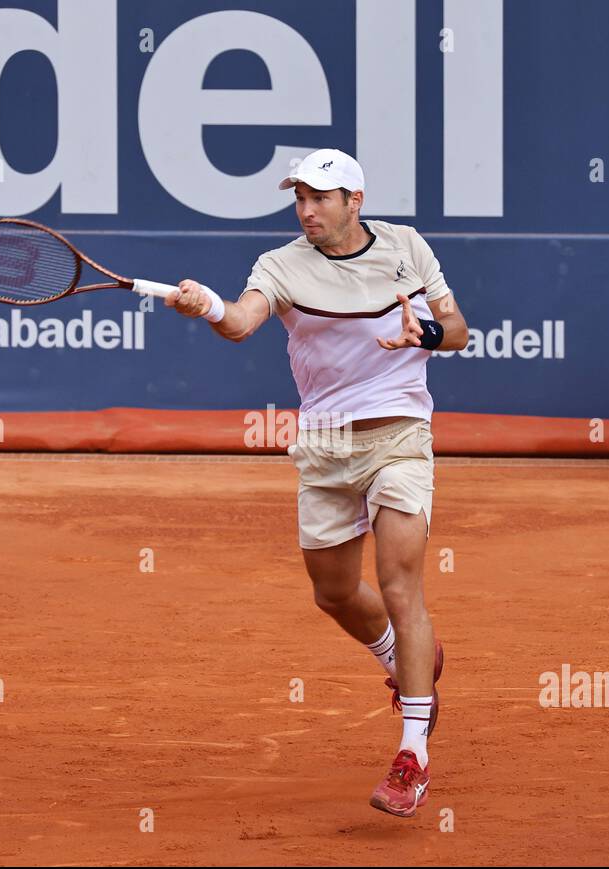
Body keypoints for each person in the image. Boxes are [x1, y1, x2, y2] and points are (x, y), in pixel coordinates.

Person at [164, 148, 468, 817]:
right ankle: (405, 661)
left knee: (399, 583)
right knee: (332, 592)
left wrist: (428, 333)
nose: (307, 211)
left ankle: (412, 755)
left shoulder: (407, 249)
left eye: (320, 198)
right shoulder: (281, 266)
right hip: (326, 443)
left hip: (398, 437)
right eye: (299, 198)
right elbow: (242, 321)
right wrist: (210, 304)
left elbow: (460, 332)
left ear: (354, 201)